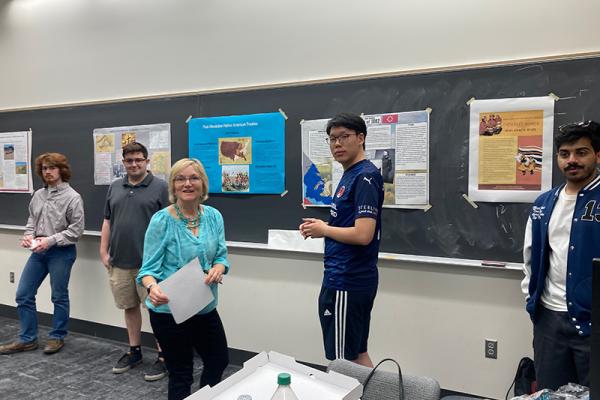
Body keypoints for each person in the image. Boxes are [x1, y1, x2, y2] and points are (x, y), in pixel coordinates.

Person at [138, 158, 229, 400]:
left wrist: (219, 268)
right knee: (181, 374)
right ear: (173, 185)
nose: (187, 184)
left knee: (219, 361)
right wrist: (152, 287)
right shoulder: (162, 220)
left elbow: (221, 256)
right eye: (180, 178)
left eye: (193, 178)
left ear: (203, 184)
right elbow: (147, 270)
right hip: (169, 311)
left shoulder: (213, 216)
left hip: (204, 306)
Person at [299, 113, 384, 367]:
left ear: (361, 138)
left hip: (347, 279)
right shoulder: (351, 174)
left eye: (344, 137)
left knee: (342, 362)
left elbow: (363, 234)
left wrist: (324, 229)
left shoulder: (365, 176)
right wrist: (323, 226)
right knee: (356, 354)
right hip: (346, 277)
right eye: (332, 138)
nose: (337, 144)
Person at [522, 120, 600, 390]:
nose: (572, 161)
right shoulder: (544, 203)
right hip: (550, 321)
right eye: (564, 154)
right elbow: (530, 257)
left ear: (597, 155)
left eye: (581, 152)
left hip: (593, 322)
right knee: (550, 392)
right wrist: (532, 300)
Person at [0, 153, 84, 355]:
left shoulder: (73, 197)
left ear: (61, 170)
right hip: (38, 251)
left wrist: (50, 240)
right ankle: (28, 339)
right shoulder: (38, 195)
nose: (48, 172)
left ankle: (57, 336)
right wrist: (28, 235)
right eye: (45, 168)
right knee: (23, 294)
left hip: (61, 252)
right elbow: (32, 220)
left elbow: (76, 231)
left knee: (59, 296)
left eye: (52, 168)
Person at [99, 142, 169, 381]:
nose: (134, 164)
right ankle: (135, 350)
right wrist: (103, 250)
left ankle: (164, 356)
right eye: (129, 161)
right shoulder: (115, 186)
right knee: (128, 306)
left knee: (157, 310)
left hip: (151, 264)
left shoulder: (161, 187)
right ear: (123, 163)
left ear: (147, 161)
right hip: (120, 261)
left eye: (139, 159)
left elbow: (170, 224)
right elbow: (107, 220)